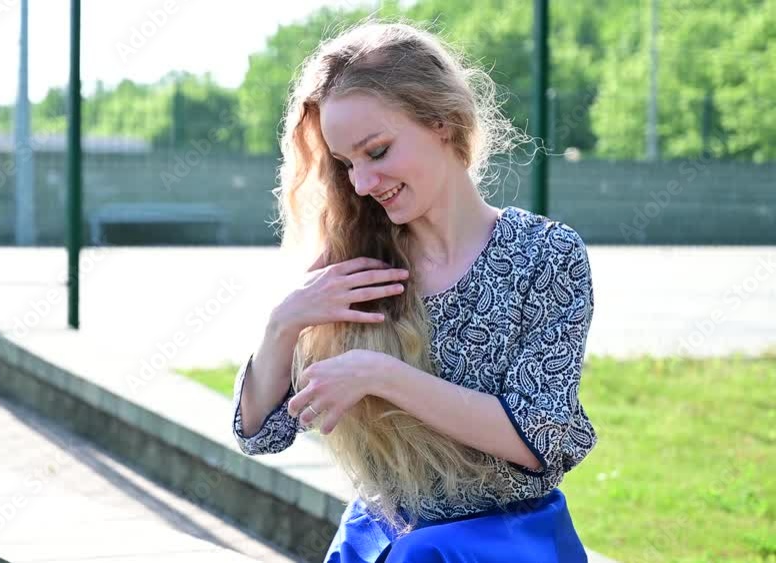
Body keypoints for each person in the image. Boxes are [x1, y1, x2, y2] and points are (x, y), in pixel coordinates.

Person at [231, 21, 597, 563]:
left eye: (376, 151)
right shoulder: (354, 261)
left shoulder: (545, 255)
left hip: (503, 548)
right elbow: (260, 435)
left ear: (441, 122)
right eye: (346, 164)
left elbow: (539, 438)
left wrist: (381, 375)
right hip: (379, 543)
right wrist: (284, 323)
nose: (361, 184)